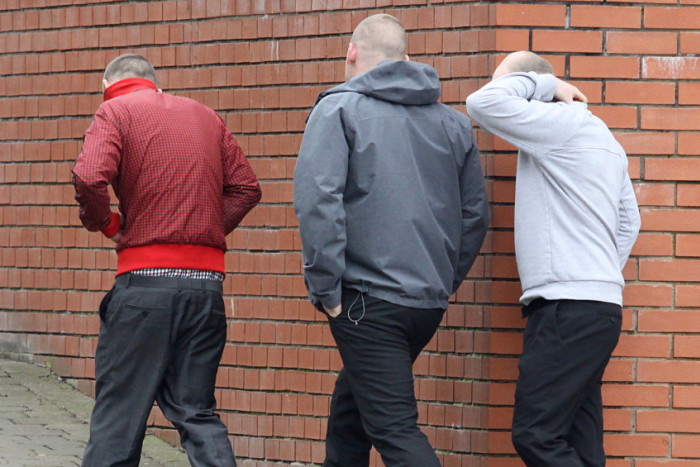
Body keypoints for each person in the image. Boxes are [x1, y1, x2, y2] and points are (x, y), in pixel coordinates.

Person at [294, 14, 490, 467]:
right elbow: (475, 216)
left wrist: (327, 291)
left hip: (366, 300)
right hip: (425, 303)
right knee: (351, 413)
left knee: (393, 427)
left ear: (352, 52)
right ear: (406, 59)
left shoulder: (338, 109)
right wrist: (442, 280)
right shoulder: (454, 125)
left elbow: (318, 202)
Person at [73, 53, 261, 467]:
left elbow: (89, 176)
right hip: (206, 289)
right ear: (153, 83)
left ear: (108, 86)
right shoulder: (207, 116)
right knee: (197, 413)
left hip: (144, 291)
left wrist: (107, 224)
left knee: (119, 418)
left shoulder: (114, 112)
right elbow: (246, 188)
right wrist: (203, 230)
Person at [466, 51, 641, 467]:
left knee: (536, 434)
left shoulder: (558, 124)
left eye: (508, 82)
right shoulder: (605, 138)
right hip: (600, 308)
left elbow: (482, 103)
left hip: (567, 308)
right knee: (581, 441)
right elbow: (629, 223)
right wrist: (596, 272)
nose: (505, 91)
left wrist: (549, 85)